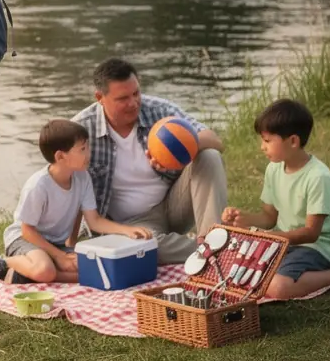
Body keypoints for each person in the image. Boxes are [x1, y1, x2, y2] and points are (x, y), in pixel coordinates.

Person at [71, 57, 227, 264]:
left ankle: (213, 239)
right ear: (100, 97)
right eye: (123, 98)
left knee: (209, 156)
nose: (133, 103)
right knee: (146, 250)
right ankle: (218, 252)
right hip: (131, 225)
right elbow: (66, 184)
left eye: (136, 93)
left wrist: (180, 153)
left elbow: (215, 141)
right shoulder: (81, 130)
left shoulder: (159, 110)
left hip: (174, 203)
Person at [222, 99, 330, 298]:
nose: (262, 147)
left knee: (277, 288)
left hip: (318, 247)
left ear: (293, 141)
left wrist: (271, 239)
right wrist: (244, 219)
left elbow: (311, 233)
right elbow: (269, 218)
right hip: (285, 243)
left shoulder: (318, 178)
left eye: (267, 141)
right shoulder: (273, 169)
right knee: (235, 270)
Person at [0, 119, 153, 284]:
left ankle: (26, 276)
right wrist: (60, 256)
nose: (89, 153)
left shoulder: (82, 177)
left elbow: (94, 221)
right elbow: (27, 230)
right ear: (60, 156)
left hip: (54, 245)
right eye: (82, 149)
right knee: (44, 270)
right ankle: (3, 263)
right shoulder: (39, 185)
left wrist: (127, 231)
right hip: (24, 240)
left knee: (94, 267)